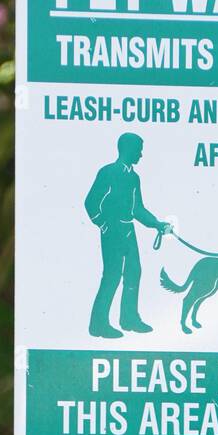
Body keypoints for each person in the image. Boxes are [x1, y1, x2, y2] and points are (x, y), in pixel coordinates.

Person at [84, 133, 172, 338]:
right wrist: (102, 224)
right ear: (127, 149)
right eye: (138, 149)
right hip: (112, 231)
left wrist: (157, 224)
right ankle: (98, 325)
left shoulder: (134, 178)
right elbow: (90, 202)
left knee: (134, 273)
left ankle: (129, 319)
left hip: (128, 231)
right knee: (112, 276)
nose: (141, 154)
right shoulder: (108, 172)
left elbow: (137, 209)